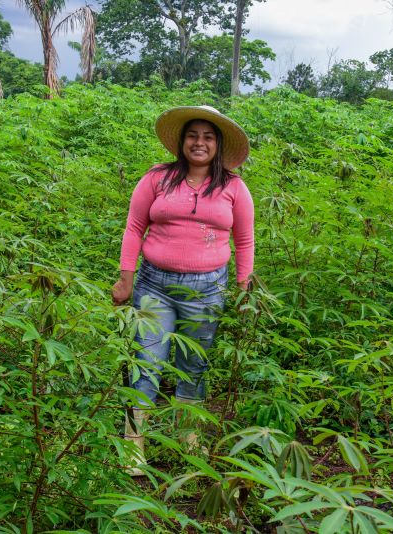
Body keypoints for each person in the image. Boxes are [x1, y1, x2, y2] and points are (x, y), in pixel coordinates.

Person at [111, 105, 254, 475]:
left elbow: (245, 240)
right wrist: (126, 279)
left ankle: (189, 437)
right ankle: (134, 443)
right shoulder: (157, 178)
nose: (199, 143)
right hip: (153, 285)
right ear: (182, 141)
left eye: (208, 137)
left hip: (207, 291)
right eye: (193, 135)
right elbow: (133, 226)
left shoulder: (234, 187)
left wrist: (244, 288)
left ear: (218, 145)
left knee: (195, 365)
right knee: (147, 361)